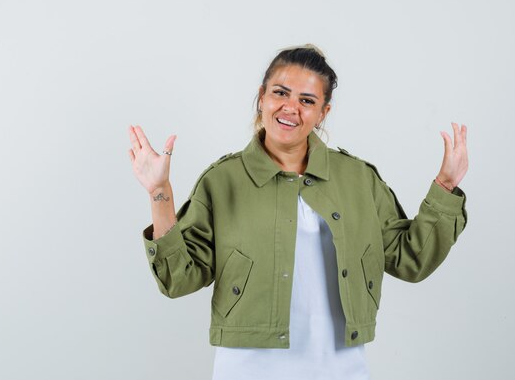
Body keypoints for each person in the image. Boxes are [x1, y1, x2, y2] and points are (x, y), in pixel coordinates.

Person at [128, 44, 469, 380]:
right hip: (247, 371)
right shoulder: (222, 181)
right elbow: (178, 279)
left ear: (323, 113)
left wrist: (445, 184)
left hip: (341, 369)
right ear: (262, 97)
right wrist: (160, 193)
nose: (291, 108)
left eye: (307, 100)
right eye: (280, 92)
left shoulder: (358, 178)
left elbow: (411, 259)